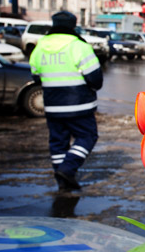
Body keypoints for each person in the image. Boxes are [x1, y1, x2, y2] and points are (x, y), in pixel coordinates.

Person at [29, 11, 103, 191]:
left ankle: (62, 182)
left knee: (57, 142)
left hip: (52, 105)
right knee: (87, 136)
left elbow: (36, 76)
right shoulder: (79, 46)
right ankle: (68, 169)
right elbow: (95, 78)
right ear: (73, 25)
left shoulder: (40, 46)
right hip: (79, 105)